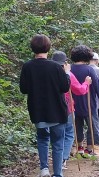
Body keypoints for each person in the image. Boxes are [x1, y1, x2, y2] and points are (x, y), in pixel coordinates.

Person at [19, 34, 70, 177]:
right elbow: (65, 88)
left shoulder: (27, 66)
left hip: (38, 110)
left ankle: (44, 169)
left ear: (32, 48)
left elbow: (23, 89)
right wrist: (67, 73)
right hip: (57, 110)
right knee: (58, 143)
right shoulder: (56, 67)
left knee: (42, 139)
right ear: (48, 47)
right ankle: (58, 174)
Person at [51, 51, 91, 169]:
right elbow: (80, 90)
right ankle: (63, 159)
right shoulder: (68, 74)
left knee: (56, 134)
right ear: (65, 63)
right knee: (68, 133)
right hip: (67, 107)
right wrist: (86, 83)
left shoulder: (49, 73)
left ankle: (57, 159)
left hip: (51, 108)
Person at [70, 45, 99, 155]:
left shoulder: (69, 69)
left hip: (74, 103)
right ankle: (90, 148)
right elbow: (97, 86)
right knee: (92, 125)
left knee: (77, 125)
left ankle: (79, 147)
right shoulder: (89, 70)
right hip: (89, 103)